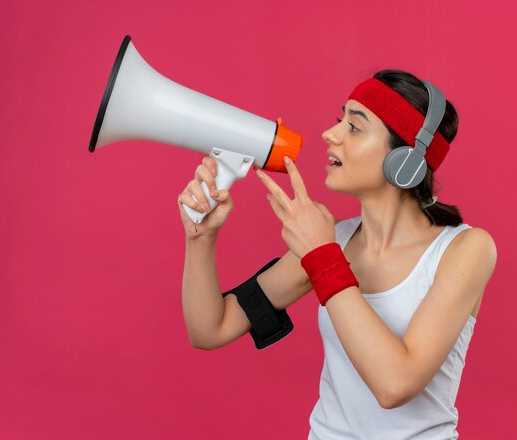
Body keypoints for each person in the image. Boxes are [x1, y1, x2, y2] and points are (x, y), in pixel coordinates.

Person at [177, 69, 497, 439]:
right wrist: (200, 240)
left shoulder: (466, 249)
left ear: (406, 161)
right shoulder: (332, 242)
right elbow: (210, 329)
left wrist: (321, 255)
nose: (330, 135)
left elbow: (395, 384)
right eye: (338, 120)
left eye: (355, 127)